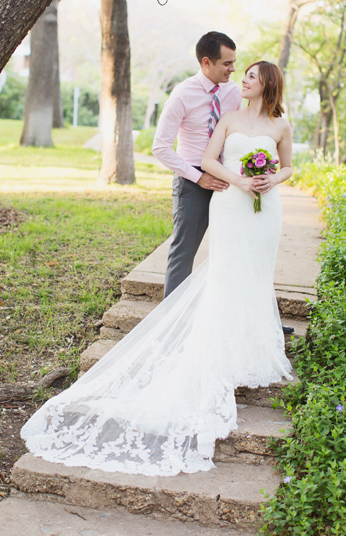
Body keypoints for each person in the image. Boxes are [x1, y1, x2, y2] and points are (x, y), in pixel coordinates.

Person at [21, 60, 294, 476]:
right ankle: (219, 349)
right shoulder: (231, 117)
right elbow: (207, 159)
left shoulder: (281, 126)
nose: (243, 79)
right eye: (241, 73)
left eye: (251, 76)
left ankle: (254, 347)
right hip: (232, 205)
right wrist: (241, 181)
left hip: (265, 211)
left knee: (256, 275)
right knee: (225, 273)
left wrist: (271, 179)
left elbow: (290, 166)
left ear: (267, 84)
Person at [152, 31, 241, 297]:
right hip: (193, 182)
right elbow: (160, 146)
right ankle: (172, 321)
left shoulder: (233, 91)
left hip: (226, 180)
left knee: (235, 248)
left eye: (234, 62)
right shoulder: (183, 94)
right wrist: (197, 177)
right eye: (227, 63)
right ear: (206, 62)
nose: (232, 69)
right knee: (184, 252)